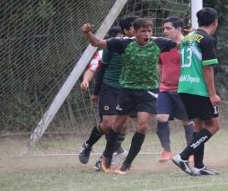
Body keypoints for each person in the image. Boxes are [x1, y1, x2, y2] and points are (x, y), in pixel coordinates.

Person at [81, 17, 178, 174]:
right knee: (117, 125)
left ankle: (126, 164)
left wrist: (193, 38)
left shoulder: (158, 42)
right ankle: (107, 154)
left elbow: (181, 44)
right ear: (136, 33)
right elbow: (97, 44)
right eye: (143, 31)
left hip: (149, 91)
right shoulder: (124, 43)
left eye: (149, 31)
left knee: (142, 125)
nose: (147, 34)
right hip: (127, 90)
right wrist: (88, 33)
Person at [171, 7, 221, 176]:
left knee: (199, 127)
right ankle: (183, 156)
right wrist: (213, 94)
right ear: (215, 22)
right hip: (198, 88)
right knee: (214, 125)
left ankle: (198, 166)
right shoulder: (207, 39)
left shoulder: (187, 37)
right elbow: (208, 69)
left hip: (184, 86)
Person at [78, 22, 135, 170]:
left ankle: (108, 156)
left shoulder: (139, 47)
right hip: (110, 89)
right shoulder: (107, 50)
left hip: (129, 90)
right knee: (109, 125)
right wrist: (86, 82)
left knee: (123, 125)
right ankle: (88, 145)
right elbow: (94, 69)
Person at [156, 17, 195, 162]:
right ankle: (166, 151)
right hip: (165, 89)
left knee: (187, 121)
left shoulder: (188, 44)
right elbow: (160, 63)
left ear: (178, 29)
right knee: (161, 117)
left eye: (168, 28)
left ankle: (191, 151)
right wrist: (161, 73)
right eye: (164, 28)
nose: (165, 31)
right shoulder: (163, 46)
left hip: (183, 90)